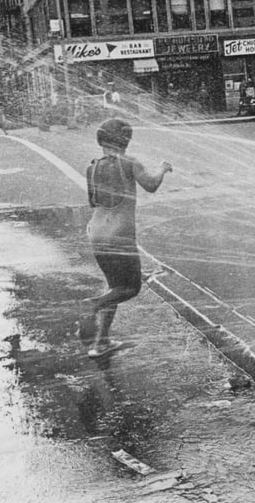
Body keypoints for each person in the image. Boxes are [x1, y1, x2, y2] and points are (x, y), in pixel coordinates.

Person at [84, 119, 173, 358]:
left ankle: (101, 343)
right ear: (125, 139)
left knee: (114, 288)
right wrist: (162, 168)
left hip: (96, 232)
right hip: (119, 235)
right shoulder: (129, 162)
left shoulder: (92, 167)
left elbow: (93, 201)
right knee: (131, 288)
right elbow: (151, 185)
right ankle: (91, 306)